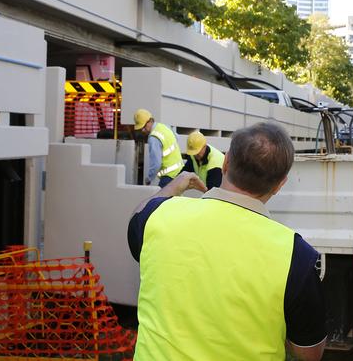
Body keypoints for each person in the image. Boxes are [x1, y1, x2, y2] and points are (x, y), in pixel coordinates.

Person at [127, 122, 327, 361]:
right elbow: (309, 354)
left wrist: (175, 185)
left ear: (226, 162)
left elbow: (138, 215)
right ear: (280, 184)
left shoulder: (158, 218)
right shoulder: (296, 256)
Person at [133, 108, 184, 187]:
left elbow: (156, 163)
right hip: (179, 172)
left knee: (161, 198)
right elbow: (177, 138)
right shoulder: (164, 127)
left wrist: (149, 178)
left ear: (150, 121)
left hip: (169, 176)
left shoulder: (153, 138)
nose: (143, 130)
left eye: (144, 127)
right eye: (141, 129)